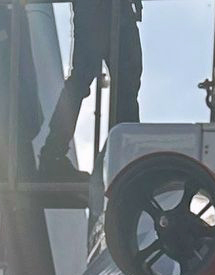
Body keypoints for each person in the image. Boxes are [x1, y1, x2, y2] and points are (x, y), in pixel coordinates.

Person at [38, 0, 142, 181]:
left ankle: (124, 152)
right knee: (88, 75)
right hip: (98, 7)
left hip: (109, 7)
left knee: (125, 78)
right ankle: (54, 154)